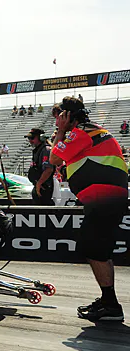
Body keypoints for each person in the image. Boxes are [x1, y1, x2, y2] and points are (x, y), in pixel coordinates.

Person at [49, 96, 128, 322]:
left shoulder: (81, 132)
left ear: (67, 116)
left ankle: (111, 305)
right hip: (106, 199)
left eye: (59, 118)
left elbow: (54, 158)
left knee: (94, 248)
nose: (57, 123)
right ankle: (108, 301)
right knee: (98, 249)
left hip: (105, 200)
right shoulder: (91, 130)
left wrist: (61, 132)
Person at [24, 128, 55, 205]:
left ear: (41, 138)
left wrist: (39, 184)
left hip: (44, 186)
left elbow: (48, 169)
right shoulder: (38, 150)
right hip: (39, 185)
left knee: (43, 207)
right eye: (29, 138)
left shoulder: (46, 150)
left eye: (32, 138)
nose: (30, 140)